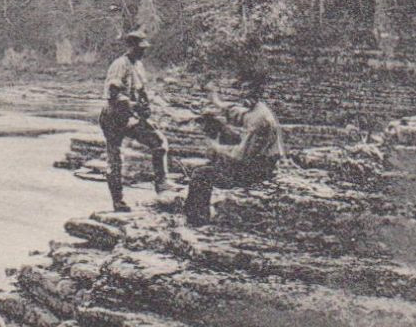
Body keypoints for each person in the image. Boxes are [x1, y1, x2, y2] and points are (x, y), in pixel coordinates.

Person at [185, 66, 286, 227]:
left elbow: (240, 156)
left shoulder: (260, 119)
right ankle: (216, 166)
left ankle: (197, 222)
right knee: (216, 123)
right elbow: (238, 114)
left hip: (257, 170)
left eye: (249, 89)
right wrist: (215, 99)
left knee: (200, 175)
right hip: (257, 160)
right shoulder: (257, 109)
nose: (243, 94)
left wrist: (215, 147)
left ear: (259, 91)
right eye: (242, 89)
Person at [99, 29, 170, 212]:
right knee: (115, 158)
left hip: (131, 115)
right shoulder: (120, 64)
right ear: (130, 46)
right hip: (113, 116)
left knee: (158, 142)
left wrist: (146, 108)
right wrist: (134, 106)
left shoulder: (138, 66)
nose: (142, 51)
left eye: (144, 48)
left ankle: (162, 187)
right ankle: (118, 201)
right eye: (139, 48)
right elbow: (113, 94)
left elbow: (142, 91)